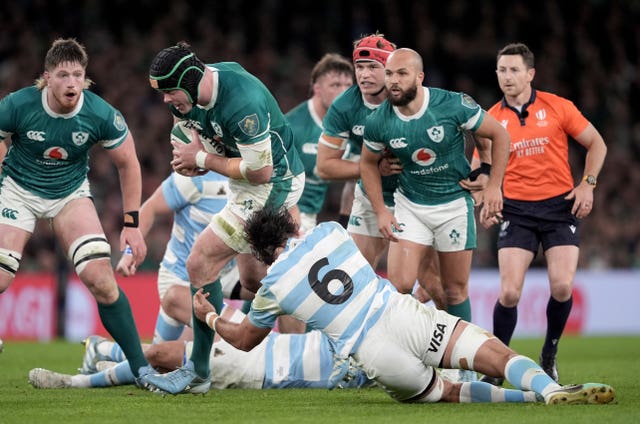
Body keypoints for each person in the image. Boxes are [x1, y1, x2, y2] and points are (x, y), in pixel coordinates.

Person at [169, 206, 614, 405]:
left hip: (372, 354)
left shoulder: (271, 286)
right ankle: (549, 390)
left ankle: (524, 403)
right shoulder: (330, 232)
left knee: (448, 392)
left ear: (264, 252)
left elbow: (245, 341)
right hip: (397, 314)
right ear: (289, 226)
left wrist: (208, 313)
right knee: (494, 353)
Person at [142, 41, 304, 394]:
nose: (166, 101)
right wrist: (192, 158)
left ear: (188, 80)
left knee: (200, 262)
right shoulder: (193, 93)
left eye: (170, 92)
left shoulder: (241, 102)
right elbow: (187, 136)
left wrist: (201, 161)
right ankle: (319, 326)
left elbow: (261, 172)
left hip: (273, 184)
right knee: (254, 279)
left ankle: (199, 372)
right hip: (243, 184)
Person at [0, 38, 153, 384]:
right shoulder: (18, 105)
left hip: (69, 194)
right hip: (17, 191)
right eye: (63, 75)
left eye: (78, 75)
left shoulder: (101, 114)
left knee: (101, 279)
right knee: (3, 276)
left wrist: (131, 224)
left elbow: (129, 163)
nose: (71, 82)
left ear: (86, 78)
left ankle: (142, 369)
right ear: (47, 77)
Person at [359, 48, 510, 382]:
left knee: (454, 292)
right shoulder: (380, 119)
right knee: (398, 283)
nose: (392, 81)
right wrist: (382, 211)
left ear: (419, 77)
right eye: (389, 74)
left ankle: (466, 367)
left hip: (454, 206)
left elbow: (498, 134)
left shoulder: (452, 104)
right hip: (411, 205)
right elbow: (367, 164)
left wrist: (492, 182)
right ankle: (398, 357)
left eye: (400, 74)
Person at [470, 43, 608, 386]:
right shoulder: (491, 118)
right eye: (501, 70)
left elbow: (597, 144)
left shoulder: (558, 107)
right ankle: (499, 363)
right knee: (510, 293)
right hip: (516, 208)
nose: (507, 77)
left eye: (514, 70)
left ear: (530, 73)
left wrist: (588, 184)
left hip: (560, 207)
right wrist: (484, 200)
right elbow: (479, 166)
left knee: (562, 286)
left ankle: (549, 353)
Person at [315, 34, 444, 308]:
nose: (364, 75)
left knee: (433, 284)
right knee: (351, 279)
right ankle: (347, 350)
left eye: (373, 67)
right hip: (371, 197)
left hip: (415, 197)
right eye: (359, 68)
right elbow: (324, 166)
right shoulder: (345, 106)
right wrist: (372, 169)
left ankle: (460, 345)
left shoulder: (414, 99)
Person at [28, 305, 373, 391]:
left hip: (260, 369)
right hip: (267, 343)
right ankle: (106, 356)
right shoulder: (354, 330)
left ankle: (75, 380)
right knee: (168, 348)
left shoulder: (372, 368)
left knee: (159, 357)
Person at [114, 169, 249, 344]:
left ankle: (105, 350)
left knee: (274, 289)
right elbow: (151, 207)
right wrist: (130, 253)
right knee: (232, 339)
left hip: (225, 275)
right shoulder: (192, 178)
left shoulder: (251, 172)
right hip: (181, 279)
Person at [286, 53, 354, 233]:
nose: (343, 92)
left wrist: (345, 222)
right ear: (317, 88)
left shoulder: (354, 128)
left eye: (348, 85)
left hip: (311, 217)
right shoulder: (293, 127)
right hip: (284, 216)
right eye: (335, 85)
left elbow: (356, 179)